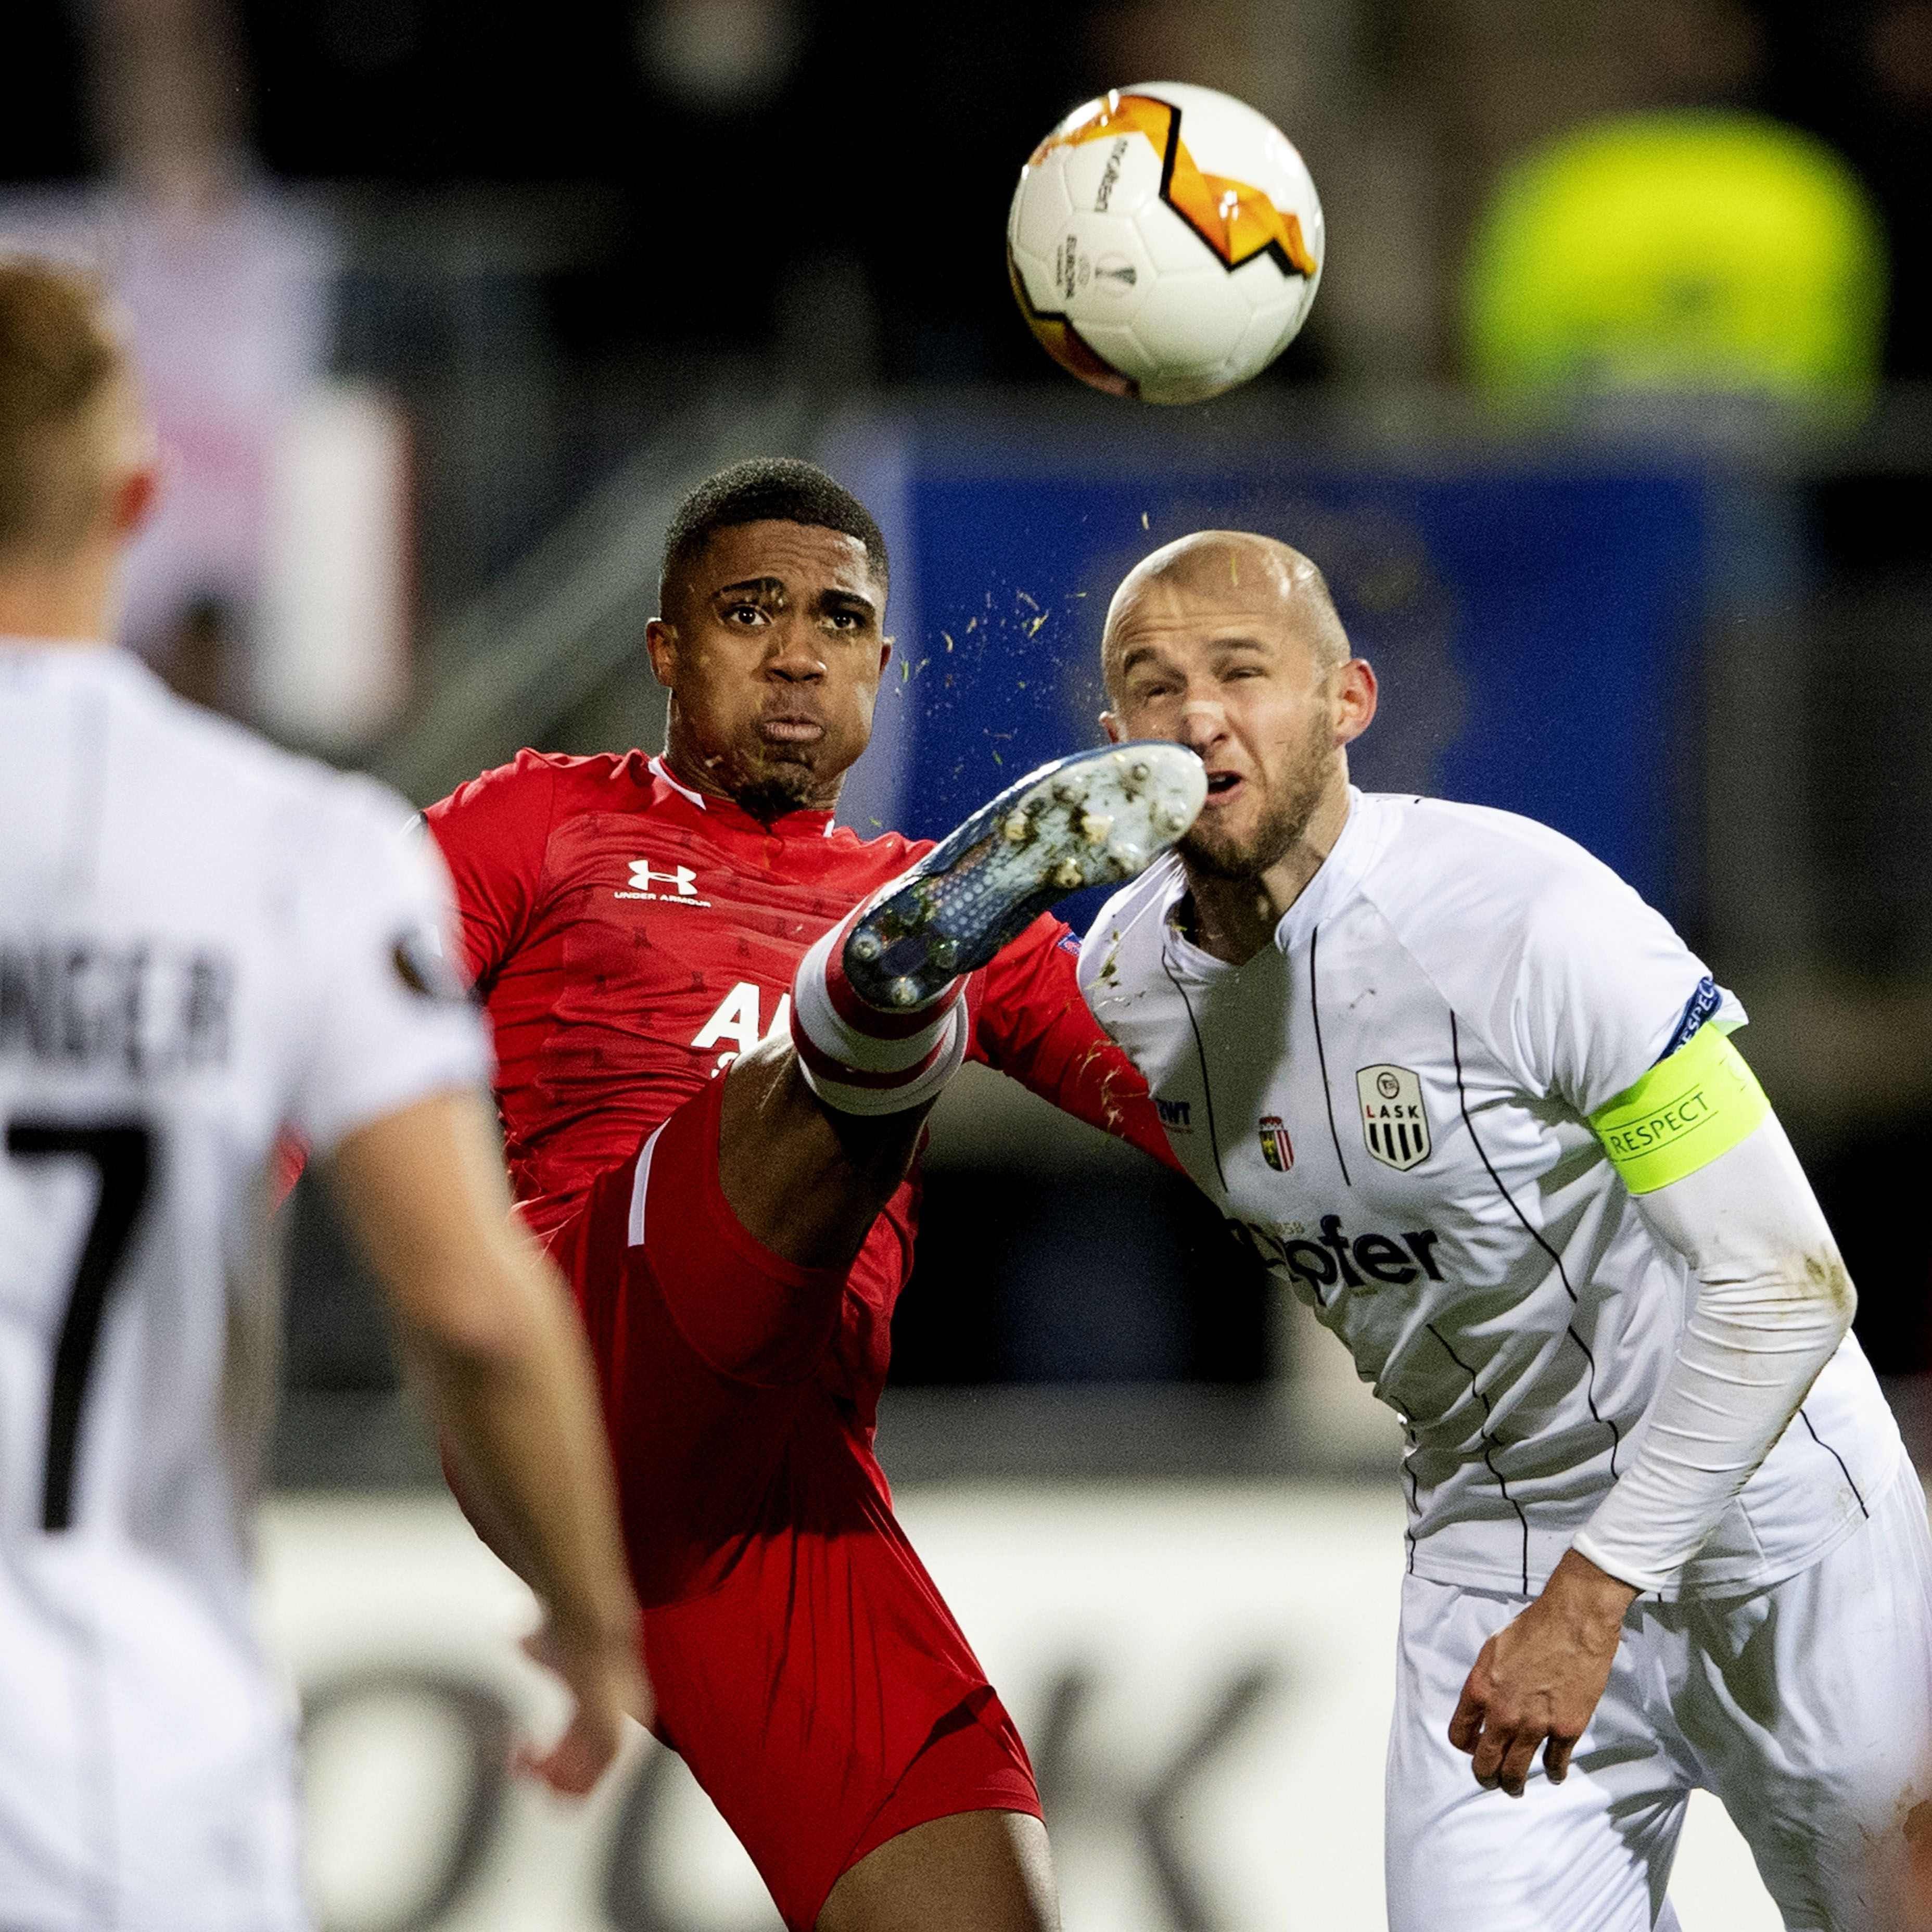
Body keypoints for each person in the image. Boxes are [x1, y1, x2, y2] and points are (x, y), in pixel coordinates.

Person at [1073, 527, 1932, 1930]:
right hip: (1499, 1532)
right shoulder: (1123, 979)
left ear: (1349, 701)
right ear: (1114, 740)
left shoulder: (1527, 918)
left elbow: (1783, 1285)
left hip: (1780, 1527)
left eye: (1244, 672)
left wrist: (1594, 1603)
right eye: (1154, 687)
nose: (1200, 717)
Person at [423, 457, 1203, 1932]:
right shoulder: (538, 821)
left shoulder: (928, 882)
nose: (798, 652)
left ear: (884, 665)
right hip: (578, 1369)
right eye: (751, 612)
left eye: (840, 621)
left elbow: (1203, 1121)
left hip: (779, 1483)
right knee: (873, 1017)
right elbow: (307, 1015)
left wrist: (1407, 1207)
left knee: (973, 1888)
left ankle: (866, 1015)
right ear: (665, 649)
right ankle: (862, 1013)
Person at [0, 256, 643, 1930]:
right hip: (120, 1770)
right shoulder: (289, 846)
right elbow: (469, 1303)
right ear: (136, 498)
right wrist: (588, 1611)